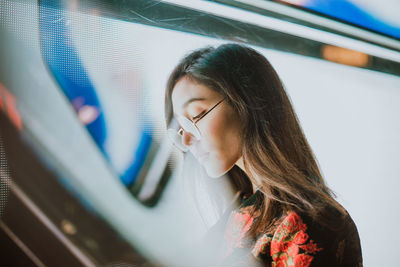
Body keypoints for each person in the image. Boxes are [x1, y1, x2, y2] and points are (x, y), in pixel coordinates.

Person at [164, 43, 363, 266]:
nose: (187, 139)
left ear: (247, 103)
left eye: (197, 115)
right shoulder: (242, 211)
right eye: (181, 128)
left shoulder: (307, 222)